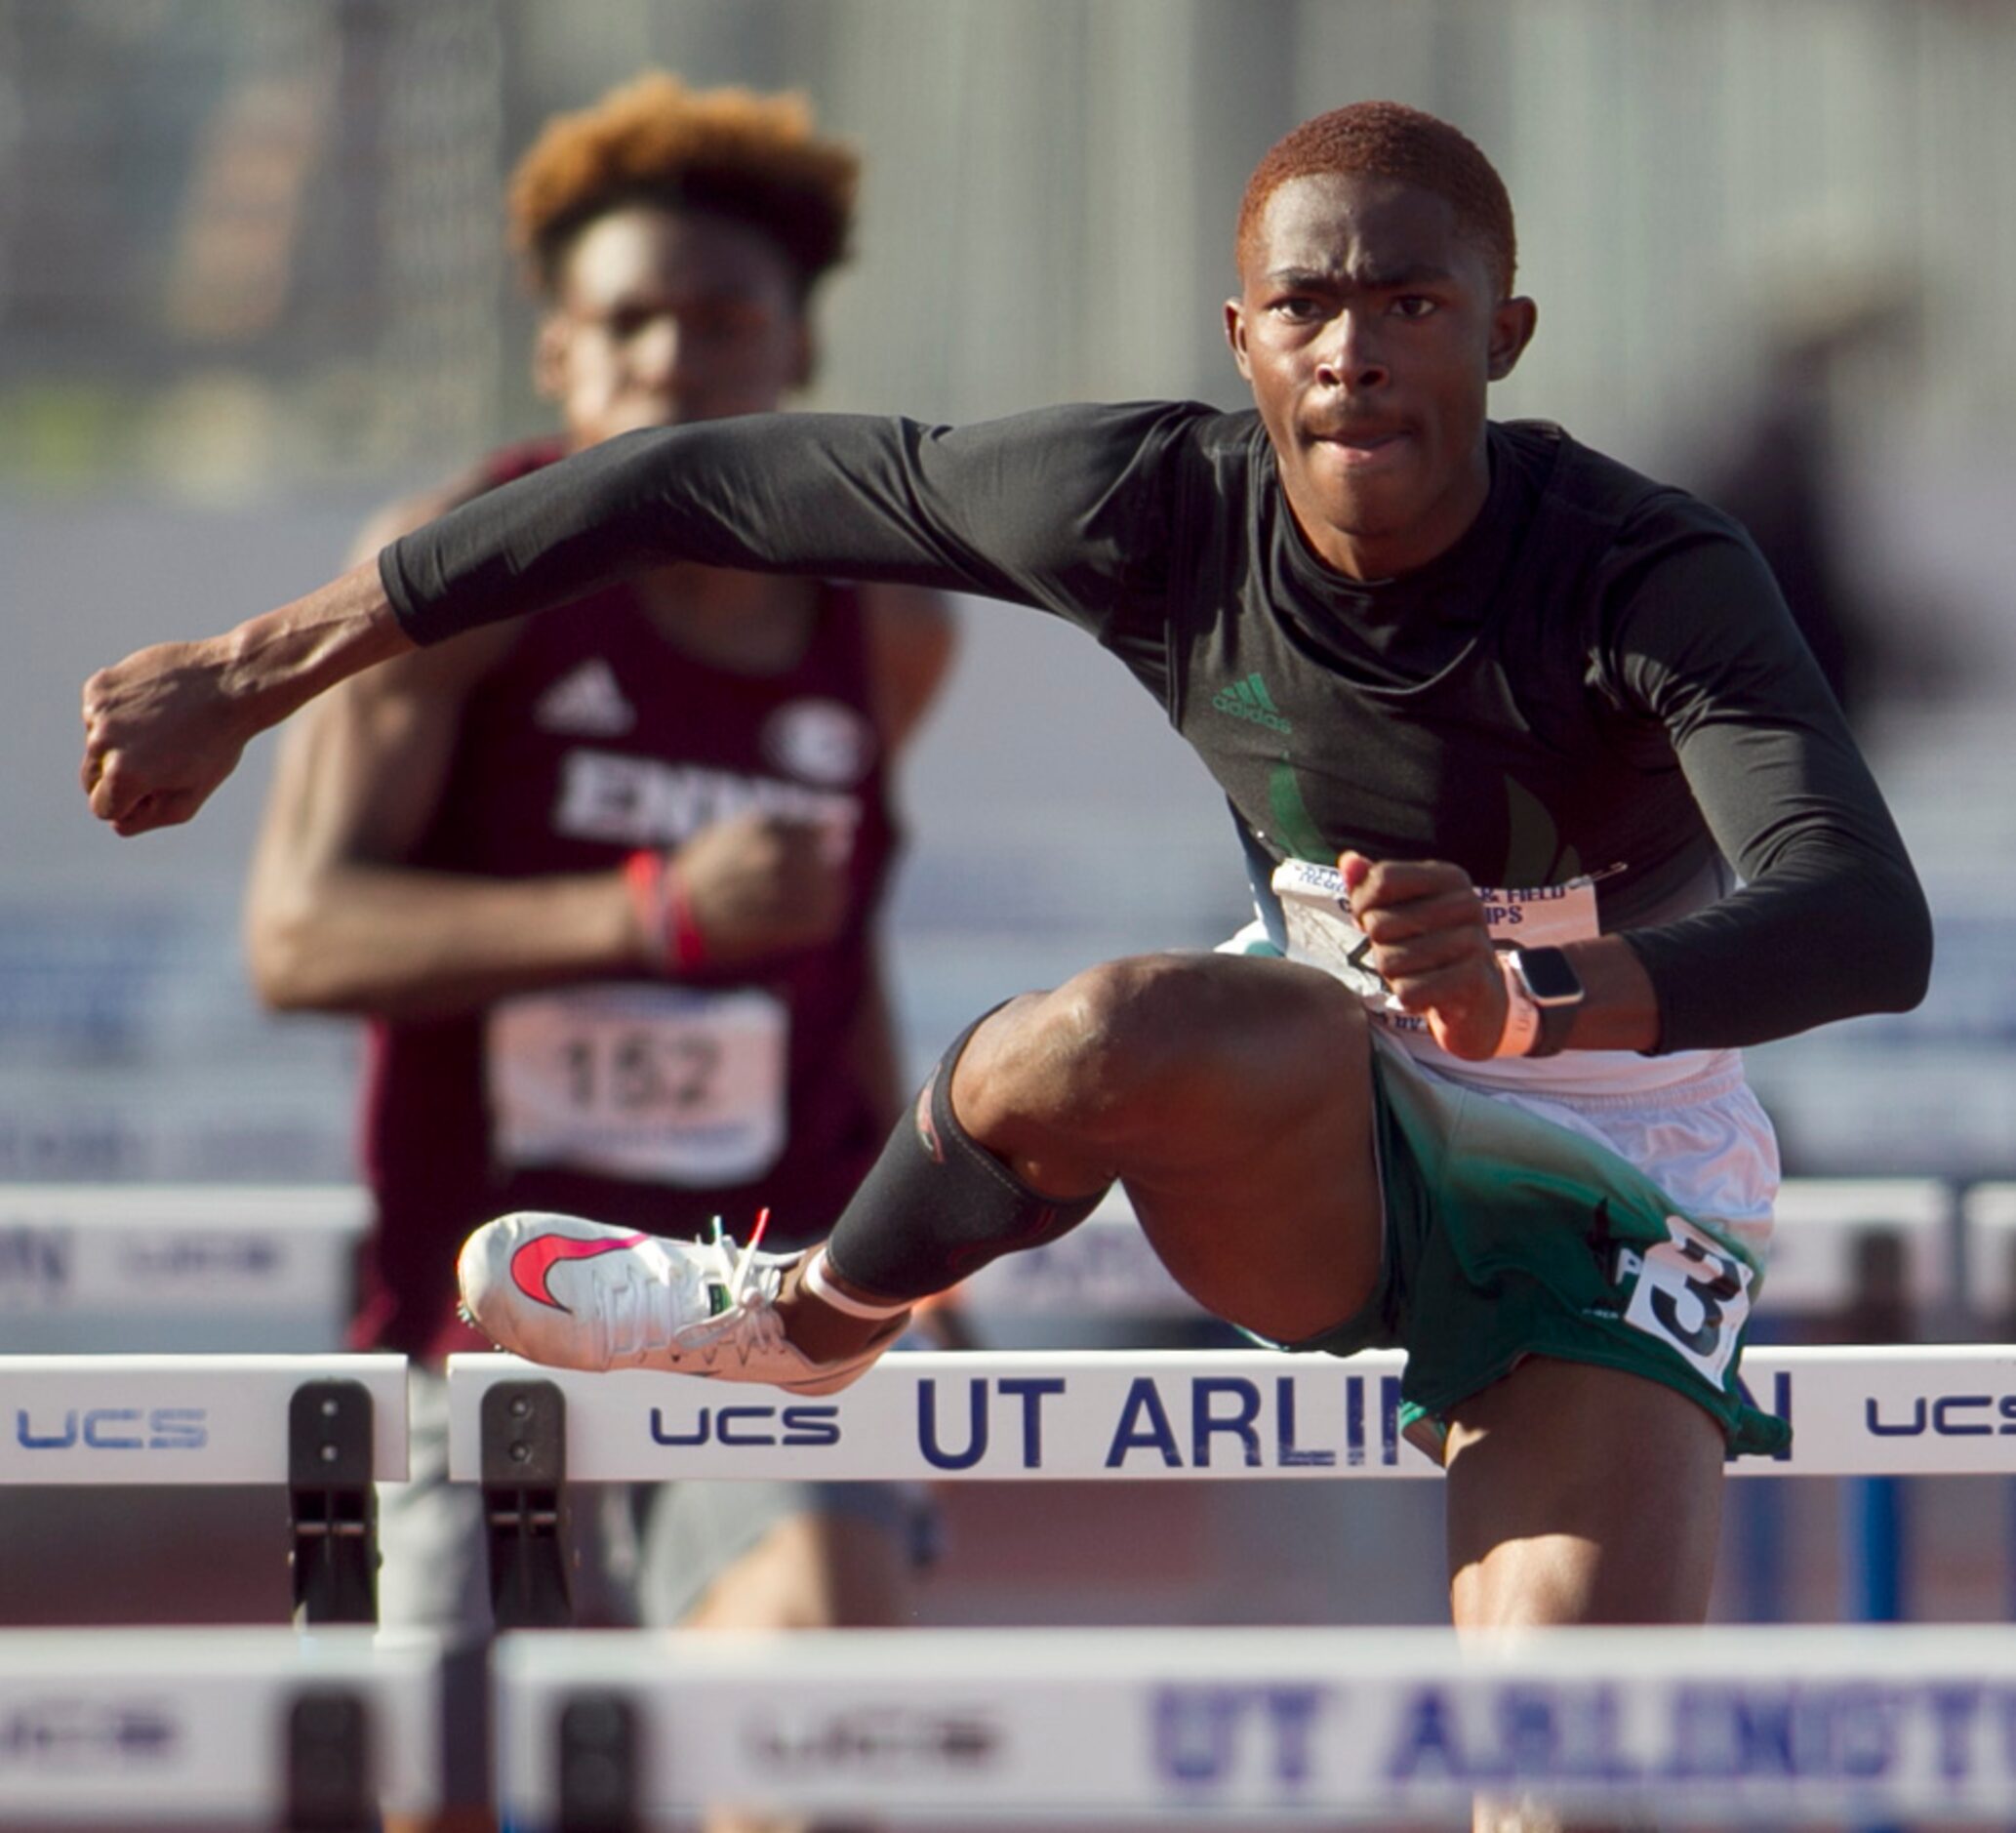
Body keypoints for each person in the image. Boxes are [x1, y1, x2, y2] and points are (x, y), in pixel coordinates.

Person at [83, 98, 1930, 1818]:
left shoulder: (1647, 565)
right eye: (1307, 305)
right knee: (1111, 1028)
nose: (1354, 348)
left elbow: (1861, 913)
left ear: (1502, 335)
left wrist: (1536, 996)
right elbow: (679, 481)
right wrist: (252, 668)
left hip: (1617, 1157)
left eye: (1411, 302)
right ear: (1241, 338)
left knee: (1567, 1783)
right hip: (1326, 1095)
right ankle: (805, 1317)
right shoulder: (1144, 504)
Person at [236, 70, 953, 1831]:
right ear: (558, 357)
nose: (673, 366)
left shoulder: (889, 627)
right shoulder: (445, 585)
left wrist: (919, 1221)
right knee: (433, 1796)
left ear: (788, 353)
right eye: (627, 324)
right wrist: (653, 911)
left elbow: (836, 950)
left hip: (760, 1300)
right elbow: (296, 933)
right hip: (472, 1319)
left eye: (722, 324)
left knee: (801, 1751)